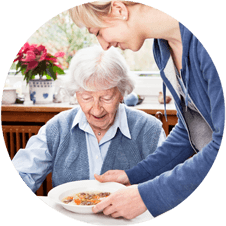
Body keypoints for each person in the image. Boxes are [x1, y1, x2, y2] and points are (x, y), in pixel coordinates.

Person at [69, 0, 225, 219]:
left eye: (97, 31)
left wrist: (147, 195)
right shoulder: (163, 49)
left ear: (119, 9)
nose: (103, 45)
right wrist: (134, 176)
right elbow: (190, 130)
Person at [12, 45, 165, 193]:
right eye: (87, 97)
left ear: (121, 94)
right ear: (76, 94)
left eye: (106, 98)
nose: (97, 109)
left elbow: (168, 187)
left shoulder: (150, 130)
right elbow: (22, 175)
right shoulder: (57, 129)